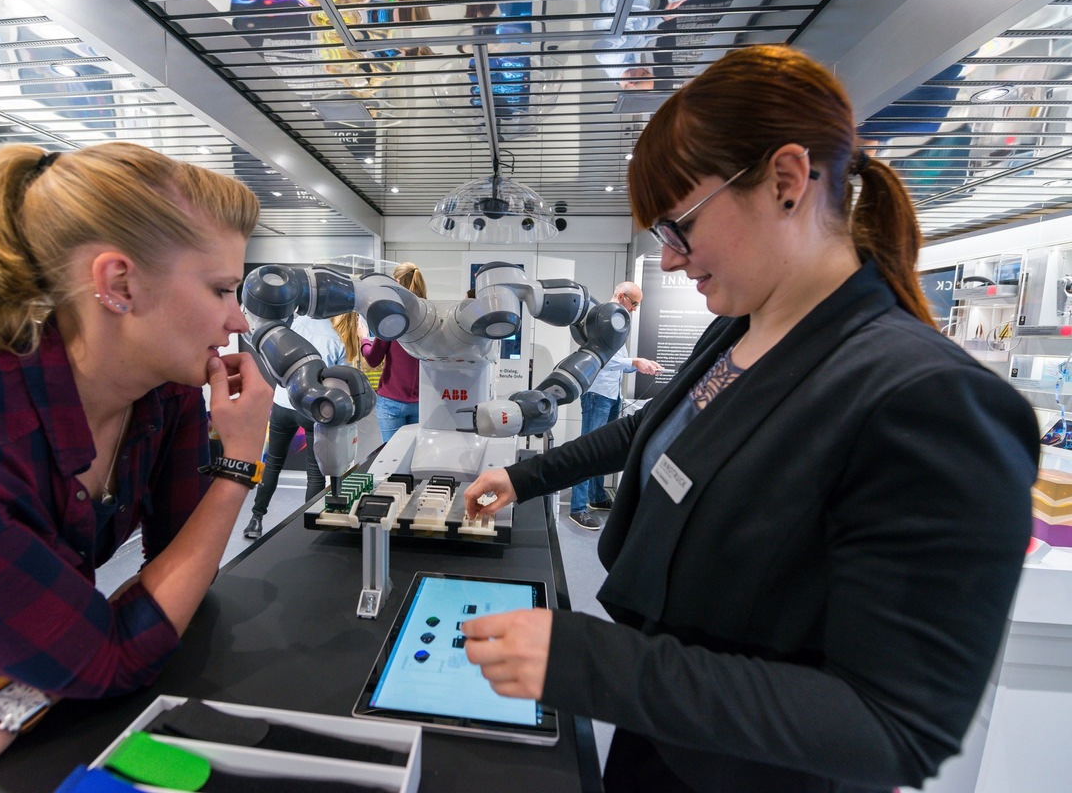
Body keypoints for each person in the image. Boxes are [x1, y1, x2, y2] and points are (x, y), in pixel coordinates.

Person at [460, 44, 1038, 793]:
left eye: (680, 227)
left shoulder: (927, 400)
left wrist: (591, 663)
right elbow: (655, 432)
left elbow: (891, 726)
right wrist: (522, 474)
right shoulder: (739, 329)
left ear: (787, 182)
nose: (669, 260)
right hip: (665, 736)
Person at [0, 143, 271, 791]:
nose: (237, 319)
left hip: (28, 699)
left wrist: (7, 705)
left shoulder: (162, 394)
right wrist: (238, 465)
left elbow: (176, 576)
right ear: (118, 284)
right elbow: (115, 651)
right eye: (222, 289)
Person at [243, 312, 362, 539]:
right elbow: (342, 382)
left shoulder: (294, 325)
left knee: (273, 464)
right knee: (315, 473)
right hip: (312, 409)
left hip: (282, 403)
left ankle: (255, 520)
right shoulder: (336, 338)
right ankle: (308, 528)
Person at [568, 281, 664, 531]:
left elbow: (616, 360)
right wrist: (635, 361)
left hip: (610, 393)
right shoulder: (601, 319)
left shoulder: (615, 318)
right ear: (621, 296)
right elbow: (598, 359)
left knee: (605, 449)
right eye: (633, 303)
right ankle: (577, 508)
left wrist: (638, 364)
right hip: (598, 394)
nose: (633, 310)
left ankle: (596, 497)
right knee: (588, 450)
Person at [362, 262, 424, 443]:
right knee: (414, 459)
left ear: (397, 282)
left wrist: (364, 339)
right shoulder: (429, 317)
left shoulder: (392, 318)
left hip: (392, 400)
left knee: (390, 461)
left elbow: (373, 359)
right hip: (421, 402)